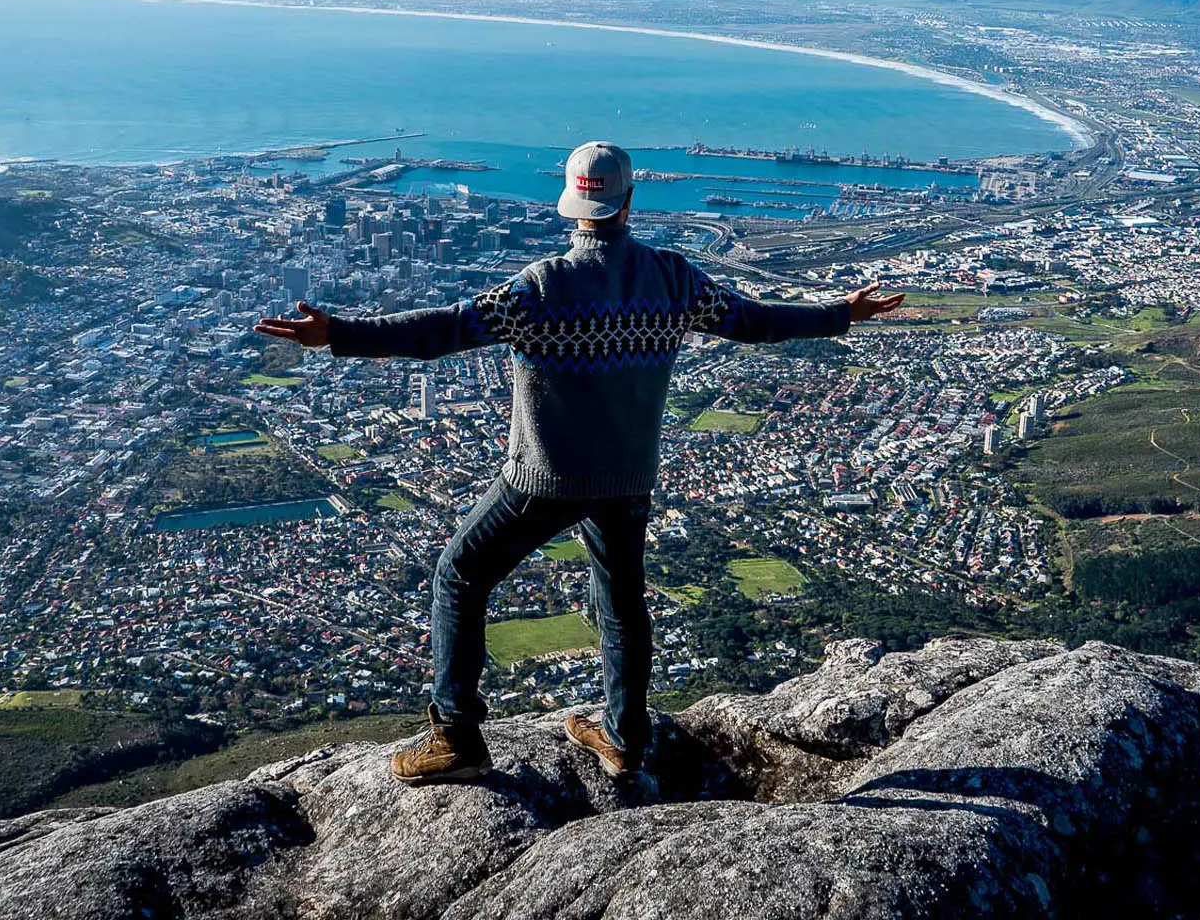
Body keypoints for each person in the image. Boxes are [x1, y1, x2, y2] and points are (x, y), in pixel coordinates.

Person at [255, 141, 904, 784]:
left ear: (572, 206)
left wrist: (339, 333)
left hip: (546, 479)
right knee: (622, 603)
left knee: (459, 575)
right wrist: (839, 314)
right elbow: (753, 321)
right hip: (627, 479)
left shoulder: (542, 287)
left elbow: (439, 332)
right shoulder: (673, 279)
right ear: (630, 202)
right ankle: (623, 739)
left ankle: (456, 735)